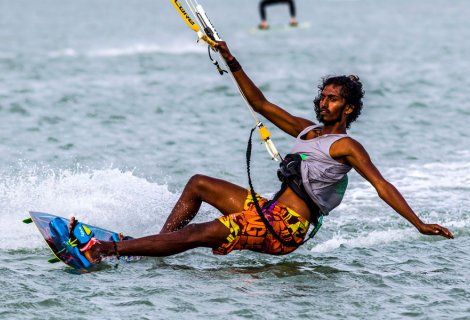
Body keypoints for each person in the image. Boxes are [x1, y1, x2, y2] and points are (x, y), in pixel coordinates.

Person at [78, 41, 453, 264]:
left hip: (285, 228)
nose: (324, 103)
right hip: (269, 210)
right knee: (199, 184)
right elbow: (258, 102)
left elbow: (381, 185)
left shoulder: (346, 146)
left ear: (348, 109)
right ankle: (149, 249)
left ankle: (108, 250)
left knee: (198, 233)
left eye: (333, 100)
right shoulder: (307, 129)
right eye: (322, 96)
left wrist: (418, 224)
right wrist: (230, 59)